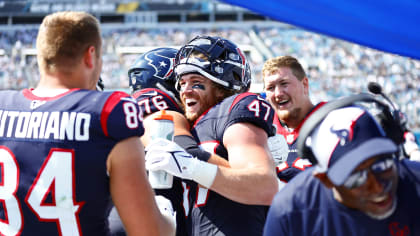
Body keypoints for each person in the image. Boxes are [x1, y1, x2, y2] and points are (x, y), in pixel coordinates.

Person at [0, 11, 175, 236]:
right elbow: (150, 232)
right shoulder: (108, 113)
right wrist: (167, 217)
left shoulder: (3, 106)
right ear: (90, 56)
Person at [145, 35, 279, 236]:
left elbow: (263, 186)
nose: (185, 91)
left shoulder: (234, 107)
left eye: (196, 82)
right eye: (182, 83)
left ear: (223, 87)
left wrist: (192, 166)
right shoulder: (190, 125)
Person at [109, 47, 229, 236]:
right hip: (148, 220)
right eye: (181, 82)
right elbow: (185, 151)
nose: (187, 90)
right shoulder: (162, 112)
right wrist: (242, 177)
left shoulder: (128, 110)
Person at [264, 106, 420, 236]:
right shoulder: (290, 212)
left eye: (382, 165)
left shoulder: (415, 181)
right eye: (356, 177)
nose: (377, 186)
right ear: (325, 180)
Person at [262, 55, 326, 183]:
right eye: (271, 88)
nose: (278, 93)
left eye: (284, 84)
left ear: (305, 84)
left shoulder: (329, 119)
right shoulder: (263, 128)